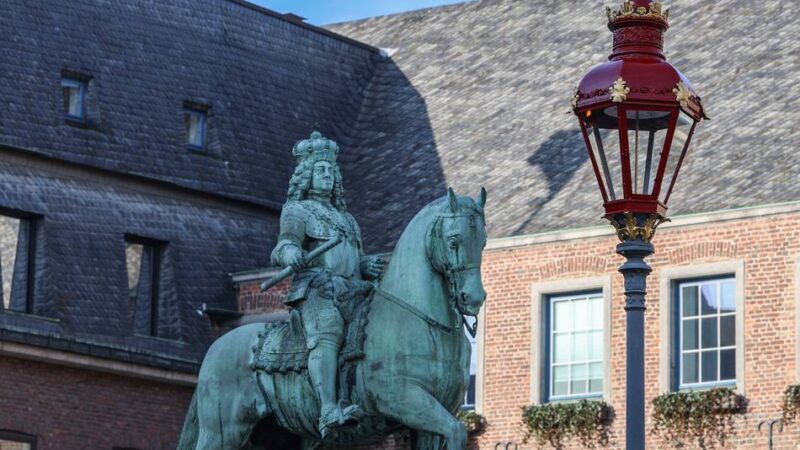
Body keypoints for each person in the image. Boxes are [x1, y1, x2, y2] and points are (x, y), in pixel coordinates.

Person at [270, 131, 384, 438]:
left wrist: (365, 265)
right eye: (321, 170)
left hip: (355, 291)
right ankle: (328, 409)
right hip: (318, 290)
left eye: (331, 171)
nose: (327, 176)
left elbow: (354, 259)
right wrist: (293, 253)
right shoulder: (298, 210)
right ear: (307, 175)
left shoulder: (347, 219)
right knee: (328, 335)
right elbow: (282, 247)